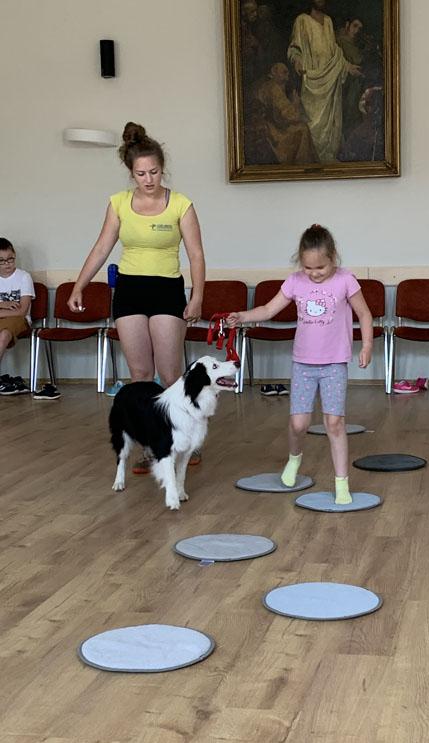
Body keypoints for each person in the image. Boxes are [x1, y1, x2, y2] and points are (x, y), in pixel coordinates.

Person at [68, 122, 206, 470]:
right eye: (141, 173)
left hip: (166, 290)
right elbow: (102, 248)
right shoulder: (118, 203)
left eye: (154, 172)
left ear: (163, 169)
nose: (148, 179)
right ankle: (152, 445)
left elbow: (196, 255)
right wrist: (79, 285)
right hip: (129, 290)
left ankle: (186, 440)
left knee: (170, 374)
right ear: (131, 173)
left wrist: (197, 297)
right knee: (141, 375)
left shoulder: (181, 204)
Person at [227, 224, 373, 504]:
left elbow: (364, 314)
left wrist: (366, 346)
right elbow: (268, 309)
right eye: (308, 268)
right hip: (303, 364)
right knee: (298, 424)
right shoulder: (295, 282)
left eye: (321, 267)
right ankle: (294, 459)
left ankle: (341, 483)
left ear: (333, 258)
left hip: (334, 364)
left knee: (335, 423)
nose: (314, 273)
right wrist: (242, 316)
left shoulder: (345, 280)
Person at [287, 0, 362, 163]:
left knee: (330, 130)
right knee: (312, 124)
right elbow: (294, 48)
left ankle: (328, 158)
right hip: (312, 81)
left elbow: (335, 52)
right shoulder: (302, 20)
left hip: (330, 82)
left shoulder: (328, 21)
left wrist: (348, 67)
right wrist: (297, 61)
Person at [253, 62, 318, 164]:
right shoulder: (274, 89)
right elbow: (286, 115)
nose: (287, 77)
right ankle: (302, 164)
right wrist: (295, 104)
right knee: (303, 129)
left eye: (287, 73)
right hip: (274, 131)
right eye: (284, 73)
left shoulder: (270, 86)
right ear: (275, 73)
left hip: (272, 124)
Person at [0, 237, 36, 396]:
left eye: (10, 259)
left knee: (4, 335)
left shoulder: (23, 277)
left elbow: (22, 311)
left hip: (20, 321)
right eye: (1, 261)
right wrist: (4, 304)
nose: (7, 264)